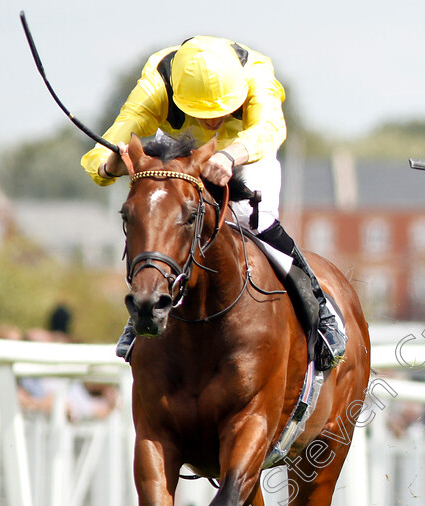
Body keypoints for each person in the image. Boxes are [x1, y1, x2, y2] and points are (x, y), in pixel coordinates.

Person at [81, 35, 345, 370]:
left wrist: (229, 155)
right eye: (201, 113)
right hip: (181, 149)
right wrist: (108, 165)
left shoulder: (258, 73)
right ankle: (141, 313)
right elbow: (109, 142)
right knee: (162, 219)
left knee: (255, 221)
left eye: (221, 111)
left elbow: (269, 128)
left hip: (246, 150)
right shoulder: (157, 82)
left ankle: (320, 310)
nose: (212, 122)